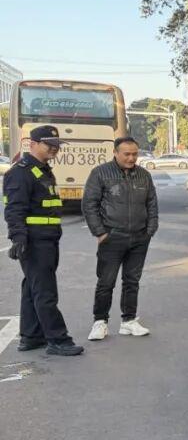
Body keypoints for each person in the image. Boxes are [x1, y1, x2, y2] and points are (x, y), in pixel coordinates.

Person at [2, 125, 83, 356]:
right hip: (34, 241)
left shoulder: (42, 170)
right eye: (50, 145)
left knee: (32, 288)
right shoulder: (21, 172)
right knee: (45, 292)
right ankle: (58, 340)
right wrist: (18, 237)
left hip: (47, 238)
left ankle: (31, 337)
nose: (55, 149)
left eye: (57, 145)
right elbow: (14, 209)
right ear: (33, 144)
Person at [82, 137, 159, 340]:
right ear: (115, 153)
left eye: (135, 154)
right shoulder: (100, 173)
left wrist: (150, 230)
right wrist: (100, 232)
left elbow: (152, 203)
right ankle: (100, 322)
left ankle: (129, 321)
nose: (131, 158)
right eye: (127, 154)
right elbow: (89, 204)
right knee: (106, 282)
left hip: (139, 237)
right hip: (112, 237)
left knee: (132, 281)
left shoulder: (144, 175)